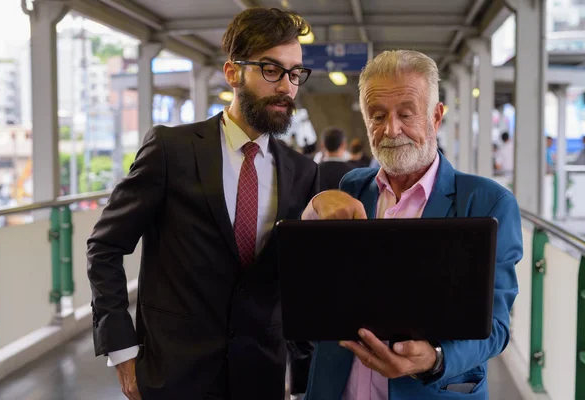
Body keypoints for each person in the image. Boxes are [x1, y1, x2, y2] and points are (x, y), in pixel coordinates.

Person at [86, 8, 318, 400]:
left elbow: (294, 282)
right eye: (271, 70)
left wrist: (302, 369)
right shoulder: (170, 151)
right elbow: (105, 247)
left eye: (295, 73)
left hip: (260, 374)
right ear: (232, 73)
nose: (287, 87)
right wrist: (123, 352)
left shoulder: (302, 172)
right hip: (173, 372)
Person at [301, 50, 522, 400]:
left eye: (406, 114)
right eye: (377, 115)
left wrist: (434, 359)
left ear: (435, 117)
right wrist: (313, 208)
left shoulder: (487, 203)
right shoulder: (352, 188)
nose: (391, 129)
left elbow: (496, 327)